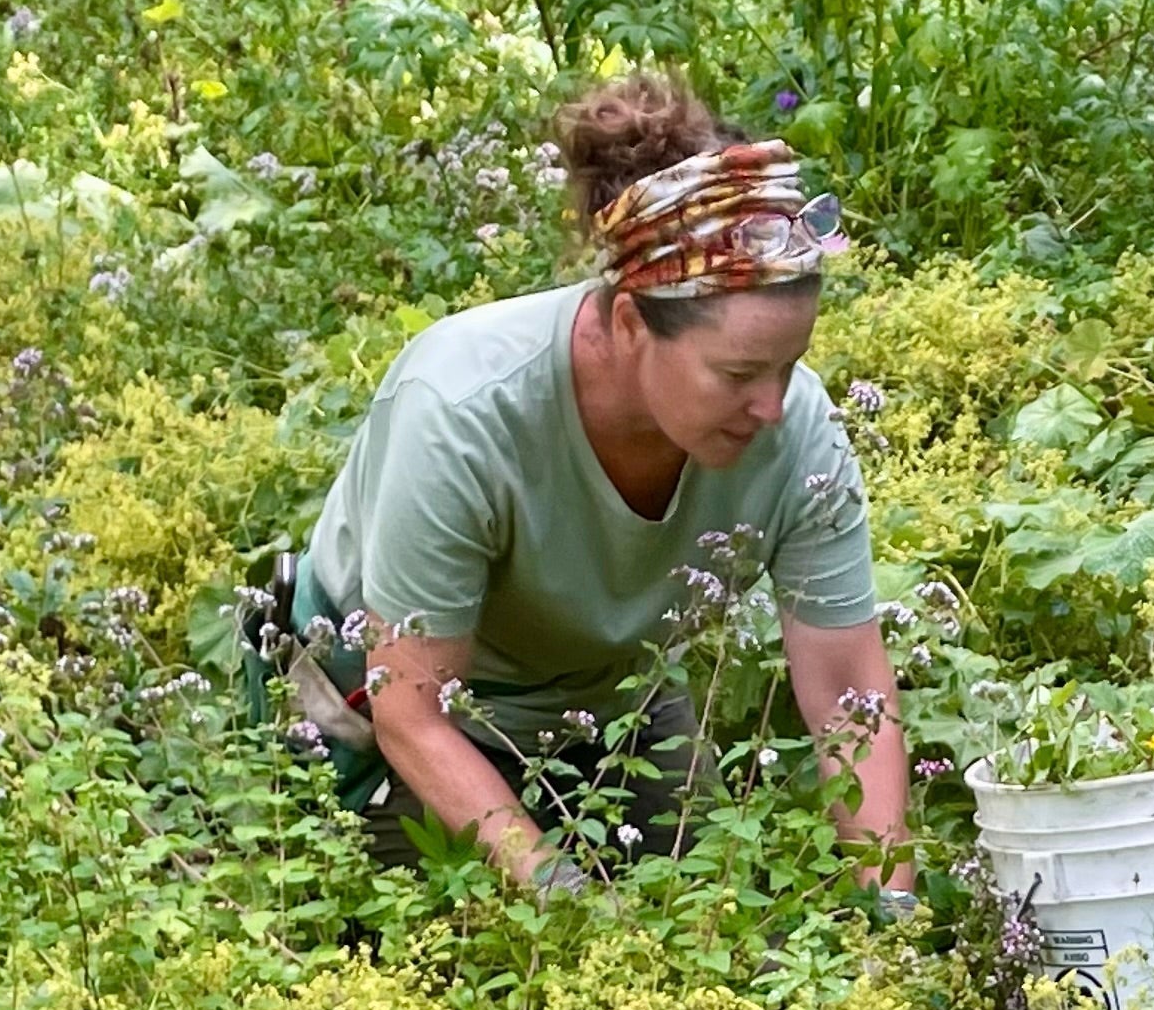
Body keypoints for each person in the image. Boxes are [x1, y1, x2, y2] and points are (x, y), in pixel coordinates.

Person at [264, 73, 908, 900]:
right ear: (633, 324)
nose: (773, 408)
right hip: (377, 720)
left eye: (788, 367)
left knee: (704, 911)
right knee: (414, 946)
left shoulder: (796, 428)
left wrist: (890, 909)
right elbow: (412, 715)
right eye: (740, 372)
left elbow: (849, 687)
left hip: (607, 705)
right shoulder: (463, 410)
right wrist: (572, 909)